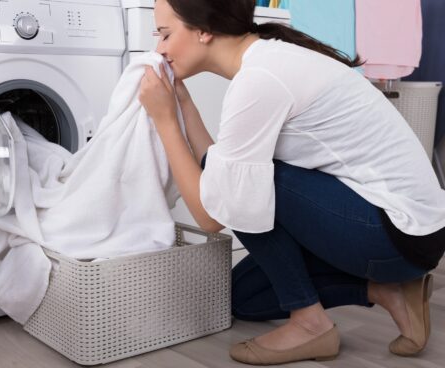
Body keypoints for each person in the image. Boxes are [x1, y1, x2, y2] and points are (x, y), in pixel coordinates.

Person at [138, 0, 445, 365]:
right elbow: (218, 166)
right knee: (242, 297)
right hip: (398, 231)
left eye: (165, 34)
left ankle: (310, 323)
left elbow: (212, 214)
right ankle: (388, 290)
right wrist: (182, 106)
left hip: (398, 233)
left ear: (203, 30)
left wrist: (165, 122)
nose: (160, 48)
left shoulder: (261, 78)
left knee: (243, 185)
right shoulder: (268, 61)